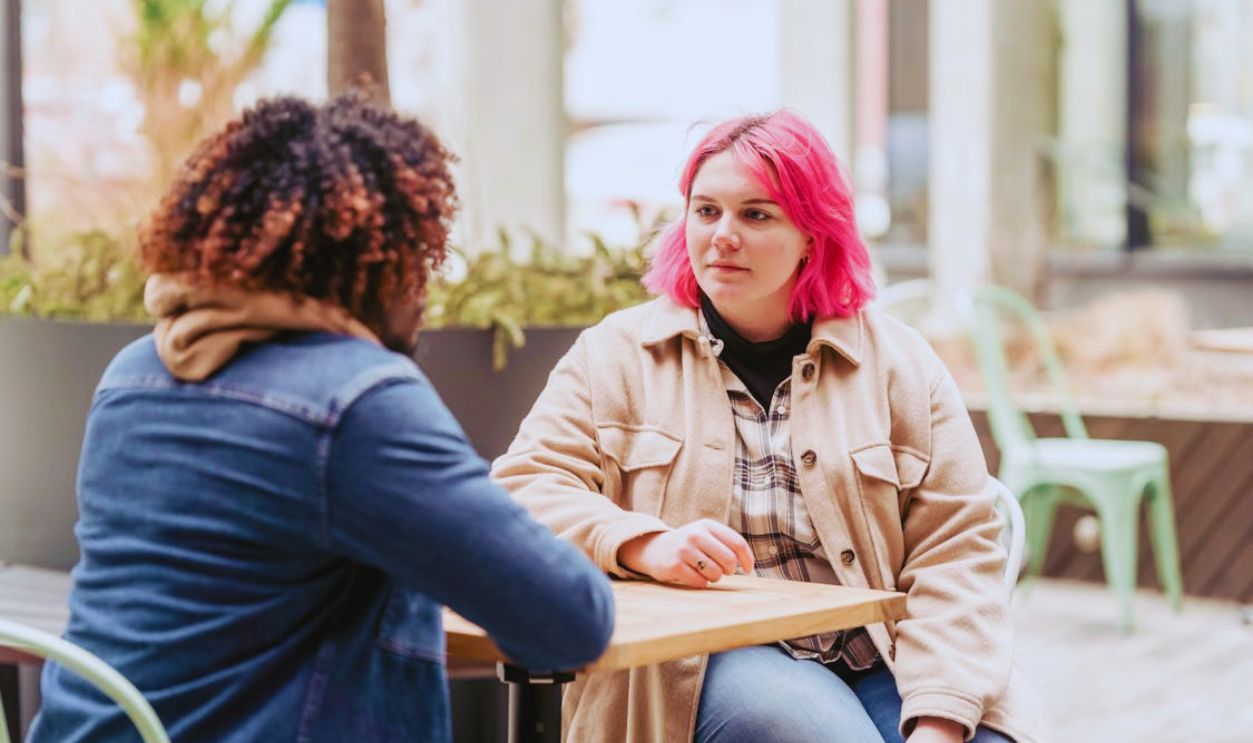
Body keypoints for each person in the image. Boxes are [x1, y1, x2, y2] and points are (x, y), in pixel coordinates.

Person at [30, 94, 614, 743]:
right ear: (372, 260)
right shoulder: (356, 400)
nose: (423, 289)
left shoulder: (135, 373)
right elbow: (567, 621)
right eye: (418, 256)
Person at [491, 111, 1050, 743]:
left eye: (756, 215)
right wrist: (640, 542)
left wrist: (942, 718)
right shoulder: (615, 353)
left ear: (813, 235)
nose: (723, 236)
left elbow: (960, 550)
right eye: (706, 212)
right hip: (710, 660)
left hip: (888, 653)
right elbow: (522, 489)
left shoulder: (900, 365)